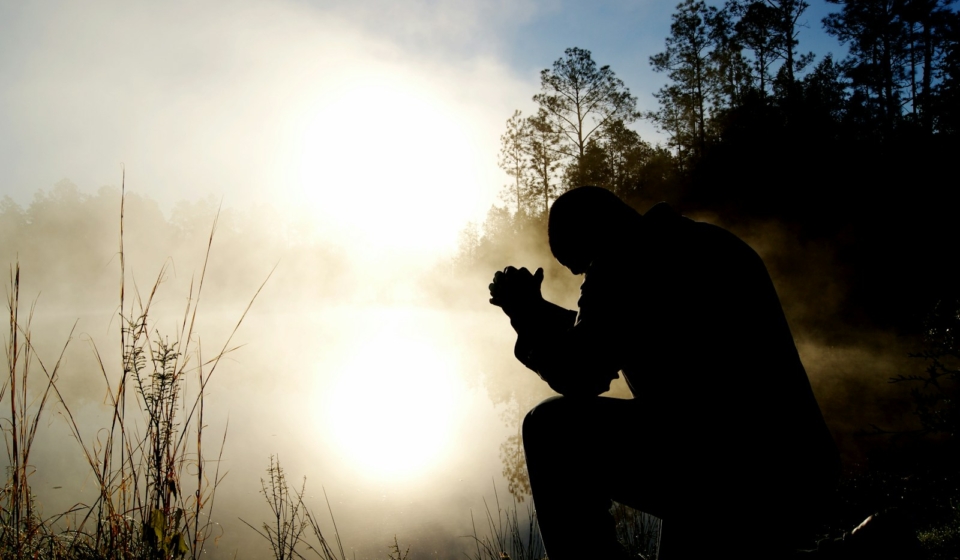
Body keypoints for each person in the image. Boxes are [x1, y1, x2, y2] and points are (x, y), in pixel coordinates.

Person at [488, 186, 840, 560]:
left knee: (549, 429)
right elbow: (604, 332)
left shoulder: (624, 261)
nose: (584, 279)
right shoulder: (705, 241)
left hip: (728, 470)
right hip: (794, 466)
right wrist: (539, 313)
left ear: (594, 233)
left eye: (583, 265)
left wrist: (526, 317)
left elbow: (582, 374)